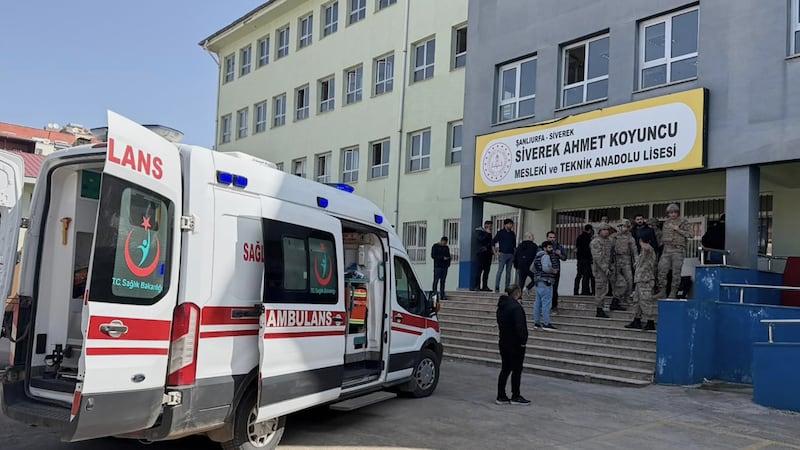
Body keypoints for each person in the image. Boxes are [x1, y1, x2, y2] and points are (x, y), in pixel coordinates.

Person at [495, 284, 530, 405]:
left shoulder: (501, 306)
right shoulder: (516, 308)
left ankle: (501, 395)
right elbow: (520, 327)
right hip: (515, 343)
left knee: (505, 368)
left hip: (503, 341)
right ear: (517, 293)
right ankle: (516, 395)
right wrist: (523, 341)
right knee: (516, 370)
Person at [656, 203, 693, 298]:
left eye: (675, 212)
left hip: (678, 250)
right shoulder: (666, 223)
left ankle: (673, 292)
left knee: (676, 273)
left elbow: (691, 234)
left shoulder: (683, 222)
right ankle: (662, 291)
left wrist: (678, 230)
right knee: (661, 271)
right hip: (666, 249)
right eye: (670, 213)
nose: (673, 214)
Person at [625, 236, 658, 331]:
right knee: (637, 301)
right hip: (639, 280)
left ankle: (650, 321)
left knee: (646, 300)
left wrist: (643, 244)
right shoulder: (642, 252)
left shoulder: (648, 249)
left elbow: (647, 249)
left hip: (645, 280)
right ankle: (637, 320)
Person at [610, 219, 636, 311]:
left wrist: (635, 262)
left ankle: (627, 297)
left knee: (629, 279)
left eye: (626, 226)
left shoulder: (631, 238)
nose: (623, 228)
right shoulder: (614, 237)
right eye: (622, 226)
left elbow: (634, 251)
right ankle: (617, 298)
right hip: (616, 260)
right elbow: (610, 250)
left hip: (626, 259)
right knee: (616, 280)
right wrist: (610, 263)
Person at [532, 241, 558, 330]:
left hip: (538, 283)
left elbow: (531, 268)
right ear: (545, 248)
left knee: (537, 304)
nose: (551, 249)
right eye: (549, 247)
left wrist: (538, 273)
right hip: (546, 282)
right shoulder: (546, 256)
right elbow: (546, 268)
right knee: (546, 304)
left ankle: (537, 323)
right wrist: (553, 271)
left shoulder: (537, 256)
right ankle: (546, 323)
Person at [591, 224, 613, 318]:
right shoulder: (596, 241)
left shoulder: (608, 241)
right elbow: (597, 257)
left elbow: (610, 255)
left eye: (607, 229)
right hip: (599, 270)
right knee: (600, 289)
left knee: (605, 289)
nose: (606, 231)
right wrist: (605, 268)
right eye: (603, 230)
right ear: (599, 231)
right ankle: (599, 309)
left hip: (607, 268)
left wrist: (610, 266)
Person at [492, 218, 517, 293]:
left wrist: (514, 254)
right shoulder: (501, 232)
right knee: (500, 271)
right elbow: (493, 242)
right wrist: (495, 253)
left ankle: (507, 288)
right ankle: (497, 287)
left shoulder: (512, 233)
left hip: (511, 254)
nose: (511, 225)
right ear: (505, 225)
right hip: (503, 254)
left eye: (511, 224)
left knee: (508, 272)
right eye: (509, 224)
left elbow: (514, 245)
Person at [545, 231, 566, 314]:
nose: (552, 239)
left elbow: (564, 258)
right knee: (545, 289)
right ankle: (545, 307)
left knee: (554, 289)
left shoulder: (558, 246)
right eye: (550, 237)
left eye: (553, 237)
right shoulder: (543, 246)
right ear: (547, 238)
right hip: (545, 271)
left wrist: (559, 254)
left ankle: (554, 307)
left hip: (555, 271)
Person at [513, 232, 538, 297]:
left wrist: (516, 267)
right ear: (529, 237)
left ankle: (519, 297)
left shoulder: (519, 246)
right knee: (536, 279)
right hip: (531, 267)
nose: (534, 238)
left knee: (521, 283)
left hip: (521, 267)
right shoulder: (534, 246)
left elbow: (515, 257)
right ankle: (527, 288)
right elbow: (537, 257)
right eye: (532, 236)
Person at [471, 221, 493, 291]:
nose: (491, 228)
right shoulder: (479, 232)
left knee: (486, 271)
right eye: (490, 226)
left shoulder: (489, 234)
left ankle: (485, 286)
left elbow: (490, 242)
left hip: (488, 254)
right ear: (486, 225)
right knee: (479, 271)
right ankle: (477, 286)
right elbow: (482, 239)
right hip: (481, 254)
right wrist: (487, 233)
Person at [574, 224, 595, 296]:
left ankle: (575, 291)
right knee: (586, 276)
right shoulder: (589, 238)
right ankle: (585, 291)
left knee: (579, 275)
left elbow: (577, 248)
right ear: (590, 230)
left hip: (579, 259)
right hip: (586, 259)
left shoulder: (579, 237)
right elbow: (590, 249)